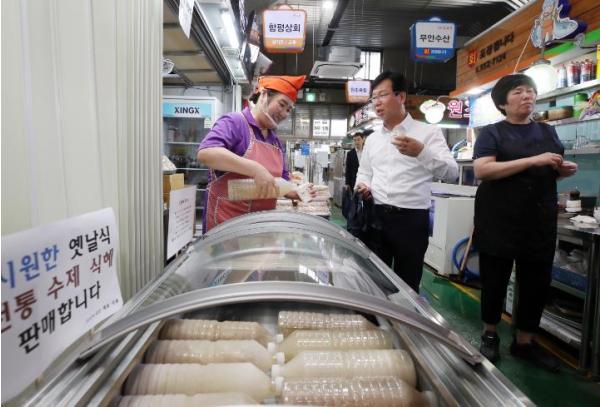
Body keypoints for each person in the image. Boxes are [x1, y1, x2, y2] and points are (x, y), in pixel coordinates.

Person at [474, 74, 577, 371]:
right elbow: (483, 170)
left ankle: (524, 343)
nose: (527, 96)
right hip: (499, 220)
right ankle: (490, 335)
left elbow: (547, 172)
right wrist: (533, 160)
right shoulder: (492, 133)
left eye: (530, 91)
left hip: (539, 220)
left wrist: (562, 171)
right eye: (518, 92)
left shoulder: (547, 131)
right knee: (494, 281)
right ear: (502, 103)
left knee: (536, 284)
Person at [355, 71, 458, 292]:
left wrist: (421, 152)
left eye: (383, 95)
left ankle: (406, 316)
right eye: (374, 97)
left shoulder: (427, 133)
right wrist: (363, 185)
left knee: (408, 285)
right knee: (376, 283)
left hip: (411, 220)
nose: (377, 102)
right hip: (377, 216)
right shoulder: (372, 139)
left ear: (401, 96)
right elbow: (365, 172)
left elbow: (451, 172)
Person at [197, 75, 308, 232]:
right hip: (226, 227)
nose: (284, 113)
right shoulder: (235, 122)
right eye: (282, 104)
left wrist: (295, 192)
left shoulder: (275, 142)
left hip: (259, 228)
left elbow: (280, 182)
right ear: (264, 96)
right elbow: (206, 153)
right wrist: (255, 169)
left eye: (288, 110)